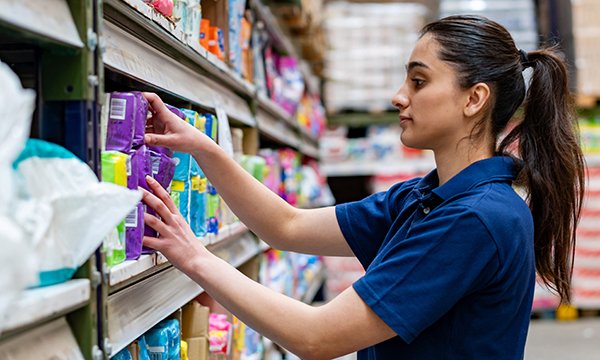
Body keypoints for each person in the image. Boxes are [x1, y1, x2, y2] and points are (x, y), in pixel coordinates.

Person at [140, 15, 585, 360]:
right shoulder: (422, 199)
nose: (398, 97)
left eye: (419, 81)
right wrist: (200, 146)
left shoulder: (475, 219)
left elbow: (316, 338)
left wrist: (195, 257)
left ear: (474, 99)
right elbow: (286, 227)